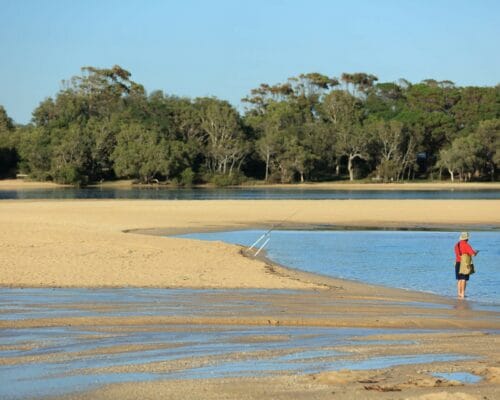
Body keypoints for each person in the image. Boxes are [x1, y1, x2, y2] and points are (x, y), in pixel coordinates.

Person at [454, 232, 479, 299]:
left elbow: (457, 254)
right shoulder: (466, 245)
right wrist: (476, 252)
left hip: (457, 263)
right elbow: (473, 254)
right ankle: (462, 294)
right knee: (464, 279)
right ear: (467, 238)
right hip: (464, 264)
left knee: (459, 279)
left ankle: (459, 293)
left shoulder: (457, 245)